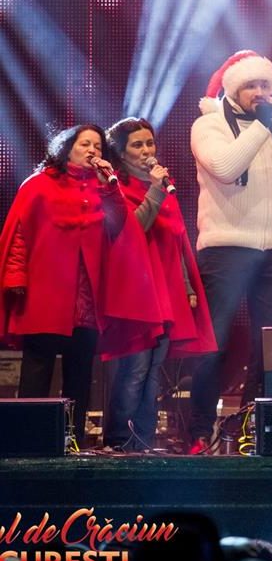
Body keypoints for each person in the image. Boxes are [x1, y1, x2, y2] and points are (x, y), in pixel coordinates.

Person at [0, 124, 163, 444]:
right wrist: (16, 276)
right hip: (45, 294)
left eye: (98, 147)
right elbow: (18, 233)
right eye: (85, 144)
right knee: (37, 369)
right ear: (67, 148)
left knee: (79, 374)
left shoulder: (103, 188)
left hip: (86, 300)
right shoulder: (38, 184)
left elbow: (120, 227)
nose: (92, 151)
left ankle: (71, 438)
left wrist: (109, 188)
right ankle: (26, 440)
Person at [188, 50, 272, 454]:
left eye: (264, 85)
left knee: (269, 344)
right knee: (214, 343)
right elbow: (226, 167)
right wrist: (262, 127)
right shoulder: (209, 124)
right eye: (251, 85)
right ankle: (199, 430)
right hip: (226, 246)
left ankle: (254, 426)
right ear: (234, 88)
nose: (259, 92)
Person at [103, 117, 216, 451]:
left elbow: (177, 240)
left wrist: (188, 288)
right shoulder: (115, 188)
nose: (146, 150)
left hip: (166, 290)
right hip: (136, 292)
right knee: (135, 370)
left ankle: (144, 440)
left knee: (154, 372)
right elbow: (133, 229)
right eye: (137, 145)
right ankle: (119, 440)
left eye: (149, 143)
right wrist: (154, 189)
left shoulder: (165, 188)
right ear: (121, 152)